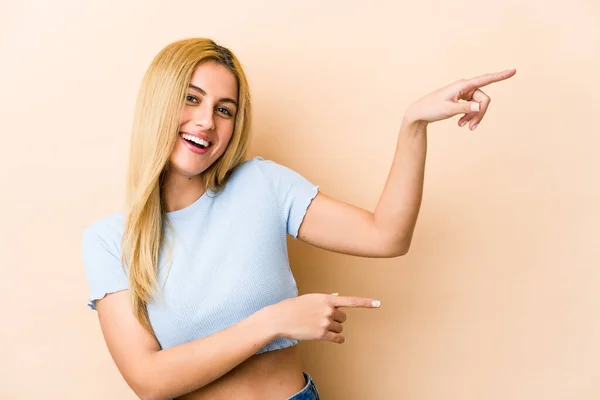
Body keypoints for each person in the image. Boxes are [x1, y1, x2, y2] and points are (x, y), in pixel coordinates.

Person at [81, 37, 516, 400]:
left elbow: (387, 236)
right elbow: (149, 381)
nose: (206, 122)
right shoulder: (109, 240)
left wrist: (413, 125)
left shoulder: (261, 184)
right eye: (191, 99)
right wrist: (275, 320)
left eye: (224, 109)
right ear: (159, 102)